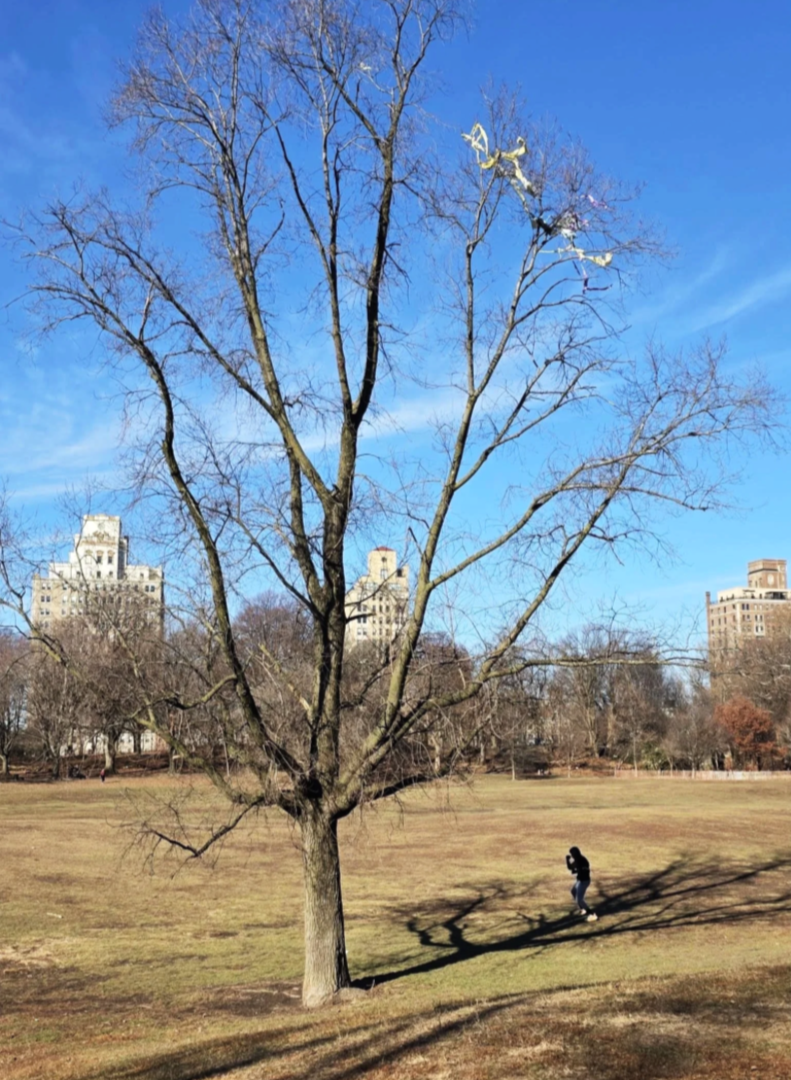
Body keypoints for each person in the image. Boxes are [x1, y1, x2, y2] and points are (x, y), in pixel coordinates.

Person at [566, 846, 598, 922]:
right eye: (571, 854)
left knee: (579, 899)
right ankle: (583, 909)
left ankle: (593, 915)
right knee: (573, 891)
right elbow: (571, 868)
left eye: (573, 854)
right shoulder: (578, 860)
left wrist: (576, 870)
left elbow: (581, 870)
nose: (572, 855)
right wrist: (567, 860)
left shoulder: (582, 860)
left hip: (584, 881)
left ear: (577, 853)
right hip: (580, 880)